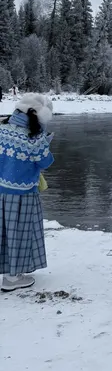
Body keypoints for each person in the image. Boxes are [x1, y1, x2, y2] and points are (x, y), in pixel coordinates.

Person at [0, 94, 54, 292]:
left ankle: (9, 272)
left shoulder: (1, 129)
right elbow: (46, 162)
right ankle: (12, 278)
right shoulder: (34, 139)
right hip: (22, 194)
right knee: (19, 234)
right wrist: (46, 142)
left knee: (3, 233)